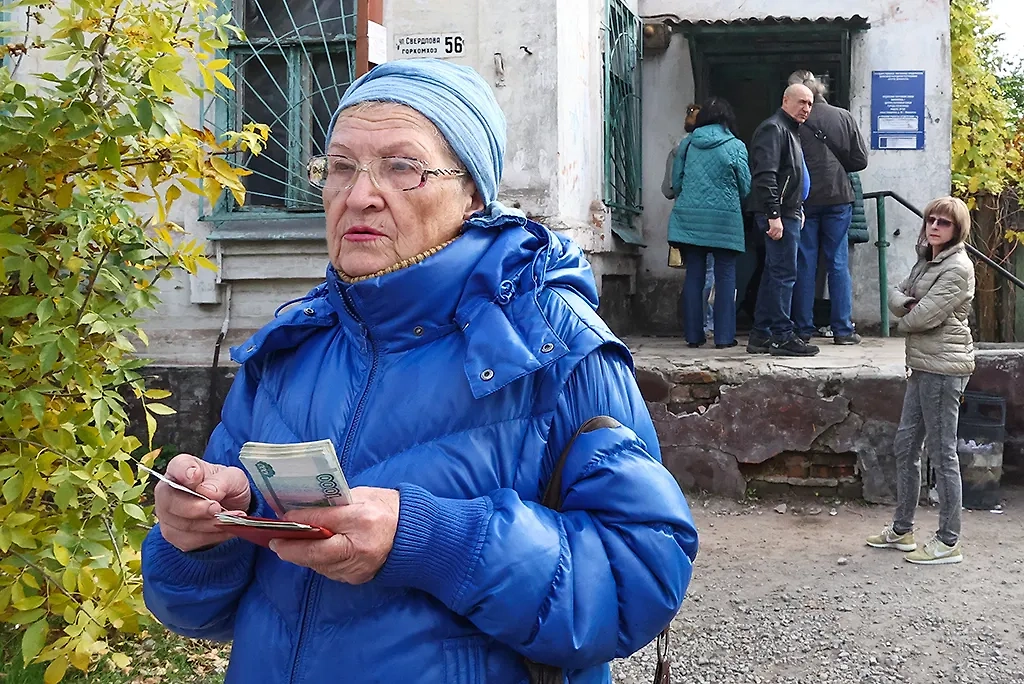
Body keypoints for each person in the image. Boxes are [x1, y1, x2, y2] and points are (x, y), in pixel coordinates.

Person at [141, 59, 699, 683]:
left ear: (472, 195)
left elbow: (640, 576)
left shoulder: (553, 346)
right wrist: (198, 533)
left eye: (401, 167)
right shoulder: (289, 352)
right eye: (340, 167)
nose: (358, 195)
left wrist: (432, 540)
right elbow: (196, 609)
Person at [866, 196, 975, 565]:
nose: (934, 226)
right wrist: (908, 304)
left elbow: (920, 317)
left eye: (943, 222)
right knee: (905, 445)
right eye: (931, 219)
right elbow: (895, 293)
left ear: (957, 229)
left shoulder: (957, 267)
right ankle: (902, 530)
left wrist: (908, 310)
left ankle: (948, 540)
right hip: (922, 365)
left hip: (945, 370)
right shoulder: (927, 261)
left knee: (943, 454)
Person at [787, 71, 869, 346]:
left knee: (805, 262)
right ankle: (843, 330)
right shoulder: (843, 116)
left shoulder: (793, 121)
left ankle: (803, 328)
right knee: (837, 262)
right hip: (838, 197)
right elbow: (859, 160)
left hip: (805, 199)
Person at [667, 96, 751, 349]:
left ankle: (694, 336)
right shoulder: (736, 145)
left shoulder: (688, 144)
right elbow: (745, 186)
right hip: (725, 220)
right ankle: (724, 337)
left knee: (694, 276)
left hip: (689, 219)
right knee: (726, 277)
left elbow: (677, 182)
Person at [746, 83, 819, 357]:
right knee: (784, 275)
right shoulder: (774, 129)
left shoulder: (789, 131)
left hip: (788, 212)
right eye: (801, 102)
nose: (806, 108)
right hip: (777, 215)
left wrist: (796, 209)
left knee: (774, 274)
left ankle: (761, 335)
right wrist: (774, 215)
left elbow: (789, 176)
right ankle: (781, 335)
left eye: (810, 104)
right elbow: (766, 175)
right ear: (785, 100)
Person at [662, 104, 715, 337]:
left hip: (686, 219)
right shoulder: (724, 145)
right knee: (713, 272)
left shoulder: (678, 148)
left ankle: (692, 327)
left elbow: (668, 189)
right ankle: (709, 323)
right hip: (715, 219)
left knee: (694, 272)